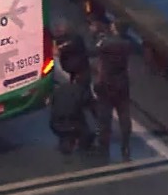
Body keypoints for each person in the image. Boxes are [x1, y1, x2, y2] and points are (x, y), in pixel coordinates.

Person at [91, 19, 133, 160]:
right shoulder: (127, 45)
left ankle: (104, 145)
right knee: (124, 115)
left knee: (105, 116)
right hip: (122, 84)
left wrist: (99, 35)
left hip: (107, 84)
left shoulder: (106, 44)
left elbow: (94, 50)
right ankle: (126, 144)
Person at [49, 77, 95, 154]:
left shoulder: (59, 90)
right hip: (73, 124)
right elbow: (89, 105)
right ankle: (84, 147)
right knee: (87, 129)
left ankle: (65, 142)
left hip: (56, 125)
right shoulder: (82, 90)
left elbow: (53, 104)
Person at [52, 17, 91, 86]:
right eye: (57, 27)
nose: (58, 29)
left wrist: (58, 49)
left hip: (79, 72)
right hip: (67, 73)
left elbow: (62, 48)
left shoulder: (75, 38)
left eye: (60, 27)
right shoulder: (57, 39)